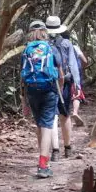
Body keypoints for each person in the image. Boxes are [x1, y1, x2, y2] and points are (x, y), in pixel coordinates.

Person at [21, 20, 60, 179]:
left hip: (31, 91)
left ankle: (44, 160)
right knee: (47, 126)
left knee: (40, 125)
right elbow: (60, 72)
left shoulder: (26, 50)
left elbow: (22, 77)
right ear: (45, 31)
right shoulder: (50, 48)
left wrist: (24, 101)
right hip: (49, 90)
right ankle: (43, 164)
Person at [46, 15, 79, 158]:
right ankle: (68, 148)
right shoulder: (66, 43)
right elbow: (72, 64)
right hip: (64, 81)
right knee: (65, 115)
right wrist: (77, 84)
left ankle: (55, 151)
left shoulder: (42, 44)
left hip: (48, 83)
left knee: (52, 116)